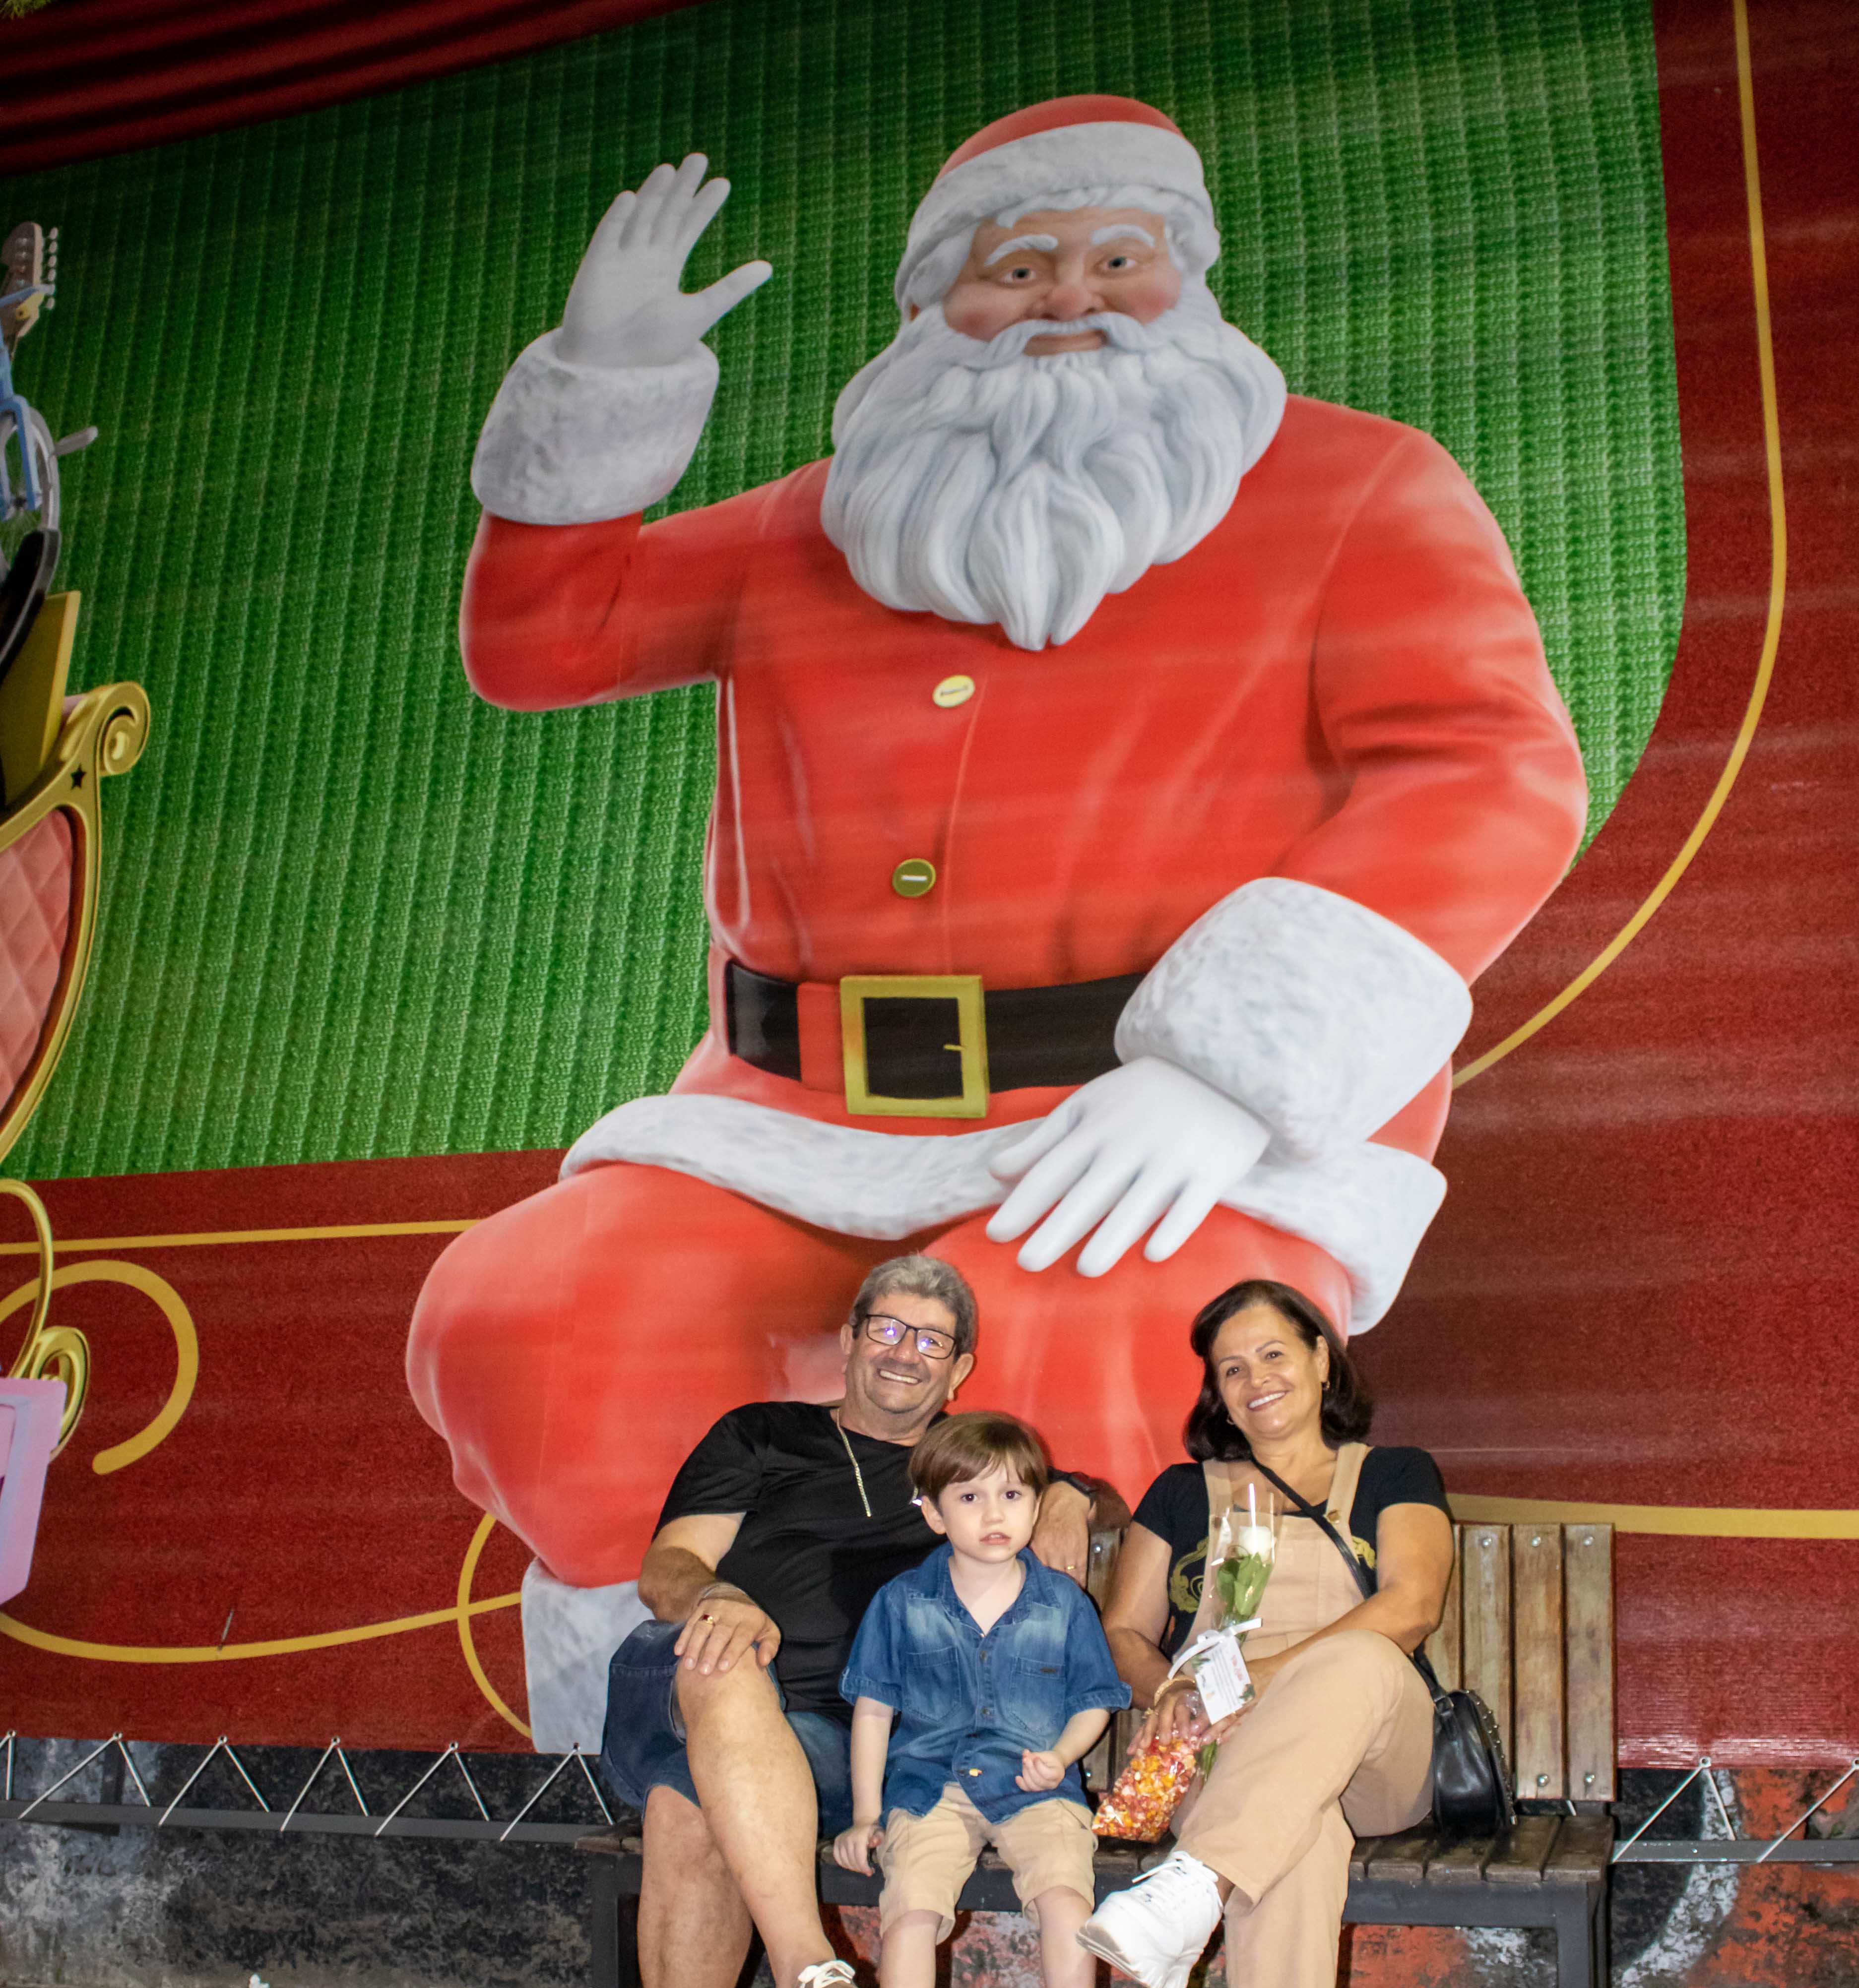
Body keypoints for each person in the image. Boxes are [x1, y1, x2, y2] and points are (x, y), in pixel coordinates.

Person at [408, 93, 1587, 1659]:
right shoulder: (821, 521)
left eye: (1118, 257)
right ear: (933, 308)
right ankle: (688, 1725)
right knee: (542, 1324)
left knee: (1060, 1360)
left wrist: (1226, 1072)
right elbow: (546, 645)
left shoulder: (1356, 486)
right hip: (792, 1118)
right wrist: (603, 383)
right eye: (1016, 268)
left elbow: (1483, 773)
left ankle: (1074, 1753)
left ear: (1190, 278)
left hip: (1158, 1120)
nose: (1068, 298)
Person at [577, 1252, 1108, 1988]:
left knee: (689, 1810)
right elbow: (668, 1565)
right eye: (888, 1330)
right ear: (851, 1340)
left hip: (830, 1742)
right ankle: (806, 1965)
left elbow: (1049, 1492)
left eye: (931, 1341)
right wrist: (720, 1595)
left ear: (960, 1369)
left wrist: (1073, 1493)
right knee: (725, 1662)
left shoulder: (959, 1471)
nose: (905, 1353)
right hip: (693, 1682)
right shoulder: (762, 1433)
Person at [1078, 1278, 1453, 1988]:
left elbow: (1410, 1606)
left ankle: (1193, 1880)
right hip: (1228, 1761)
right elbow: (1124, 1630)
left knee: (1361, 1654)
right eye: (1232, 1368)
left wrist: (1253, 1682)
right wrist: (1172, 1688)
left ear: (1322, 1359)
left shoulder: (1393, 1473)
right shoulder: (1179, 1492)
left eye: (1274, 1354)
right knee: (1293, 1841)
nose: (1255, 1380)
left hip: (1376, 1752)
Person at [833, 1411, 1130, 1988]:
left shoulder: (1063, 1603)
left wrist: (1061, 1757)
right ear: (933, 1513)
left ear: (1036, 1505)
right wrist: (866, 1814)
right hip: (929, 1786)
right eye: (969, 1498)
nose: (994, 1514)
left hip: (1037, 1788)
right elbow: (874, 1712)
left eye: (1012, 1495)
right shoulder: (902, 1602)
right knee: (912, 1911)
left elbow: (1094, 1702)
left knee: (1065, 1901)